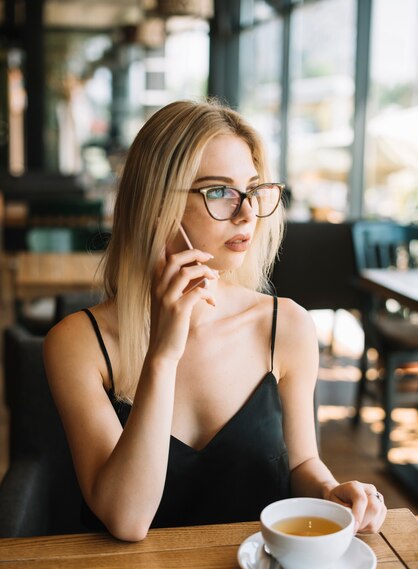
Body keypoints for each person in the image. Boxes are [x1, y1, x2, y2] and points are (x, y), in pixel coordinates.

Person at [44, 99, 387, 542]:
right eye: (220, 192)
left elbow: (302, 464)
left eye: (252, 189)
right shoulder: (77, 344)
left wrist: (331, 491)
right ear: (156, 203)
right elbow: (127, 519)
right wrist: (163, 356)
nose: (246, 213)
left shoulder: (286, 326)